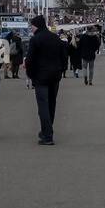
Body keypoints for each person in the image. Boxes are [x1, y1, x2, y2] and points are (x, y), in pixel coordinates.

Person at [26, 15, 67, 145]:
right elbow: (64, 56)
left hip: (40, 76)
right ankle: (47, 130)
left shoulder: (35, 40)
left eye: (32, 26)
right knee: (51, 104)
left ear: (36, 25)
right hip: (55, 75)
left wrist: (31, 75)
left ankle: (47, 135)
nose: (31, 28)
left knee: (42, 105)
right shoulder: (55, 38)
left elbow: (30, 60)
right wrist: (61, 70)